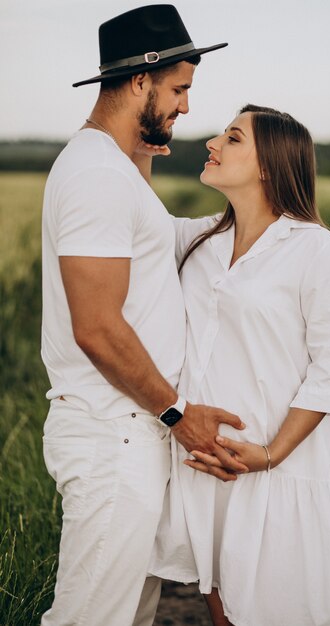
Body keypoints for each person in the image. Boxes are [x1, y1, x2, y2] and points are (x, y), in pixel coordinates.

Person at [40, 6, 247, 626]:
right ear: (139, 81)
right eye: (179, 89)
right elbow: (97, 327)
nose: (186, 107)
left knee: (128, 616)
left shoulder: (117, 170)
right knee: (89, 618)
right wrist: (178, 415)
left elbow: (163, 242)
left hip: (133, 432)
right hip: (114, 436)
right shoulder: (96, 174)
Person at [149, 105, 330, 626]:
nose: (213, 143)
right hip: (210, 468)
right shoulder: (198, 243)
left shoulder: (314, 247)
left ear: (268, 166)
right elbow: (135, 218)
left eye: (233, 138)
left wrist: (269, 453)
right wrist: (143, 140)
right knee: (222, 608)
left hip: (277, 472)